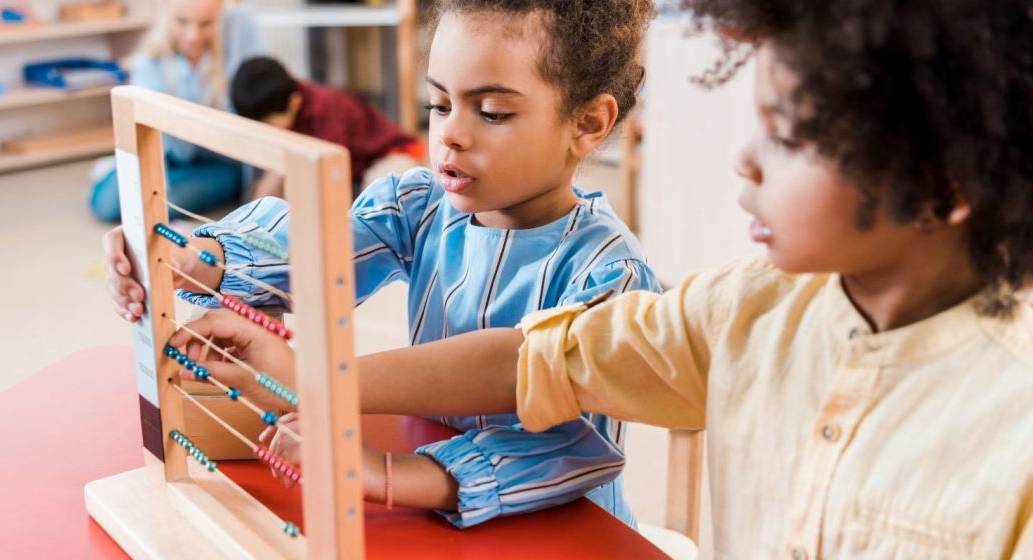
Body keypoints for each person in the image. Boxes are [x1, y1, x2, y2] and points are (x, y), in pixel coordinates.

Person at [172, 0, 1033, 556]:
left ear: (941, 181)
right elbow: (536, 361)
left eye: (791, 135)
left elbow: (561, 424)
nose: (743, 158)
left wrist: (342, 409)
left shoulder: (1009, 422)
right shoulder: (742, 311)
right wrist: (206, 267)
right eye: (440, 103)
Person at [105, 0, 656, 530]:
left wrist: (386, 470)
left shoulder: (611, 276)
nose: (450, 135)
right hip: (440, 519)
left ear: (587, 123)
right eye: (438, 105)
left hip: (563, 535)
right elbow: (316, 248)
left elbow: (566, 438)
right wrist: (196, 260)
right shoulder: (420, 206)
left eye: (492, 112)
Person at [88, 0, 264, 223]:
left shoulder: (238, 35)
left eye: (206, 23)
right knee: (109, 204)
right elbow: (171, 146)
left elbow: (255, 108)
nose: (193, 36)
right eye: (182, 21)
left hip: (221, 160)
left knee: (154, 205)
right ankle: (112, 172)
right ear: (166, 14)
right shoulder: (149, 63)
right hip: (174, 155)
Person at [230, 56, 427, 199]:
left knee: (385, 193)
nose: (266, 132)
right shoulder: (272, 109)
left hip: (385, 154)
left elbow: (332, 174)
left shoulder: (324, 108)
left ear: (294, 103)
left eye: (270, 125)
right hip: (350, 170)